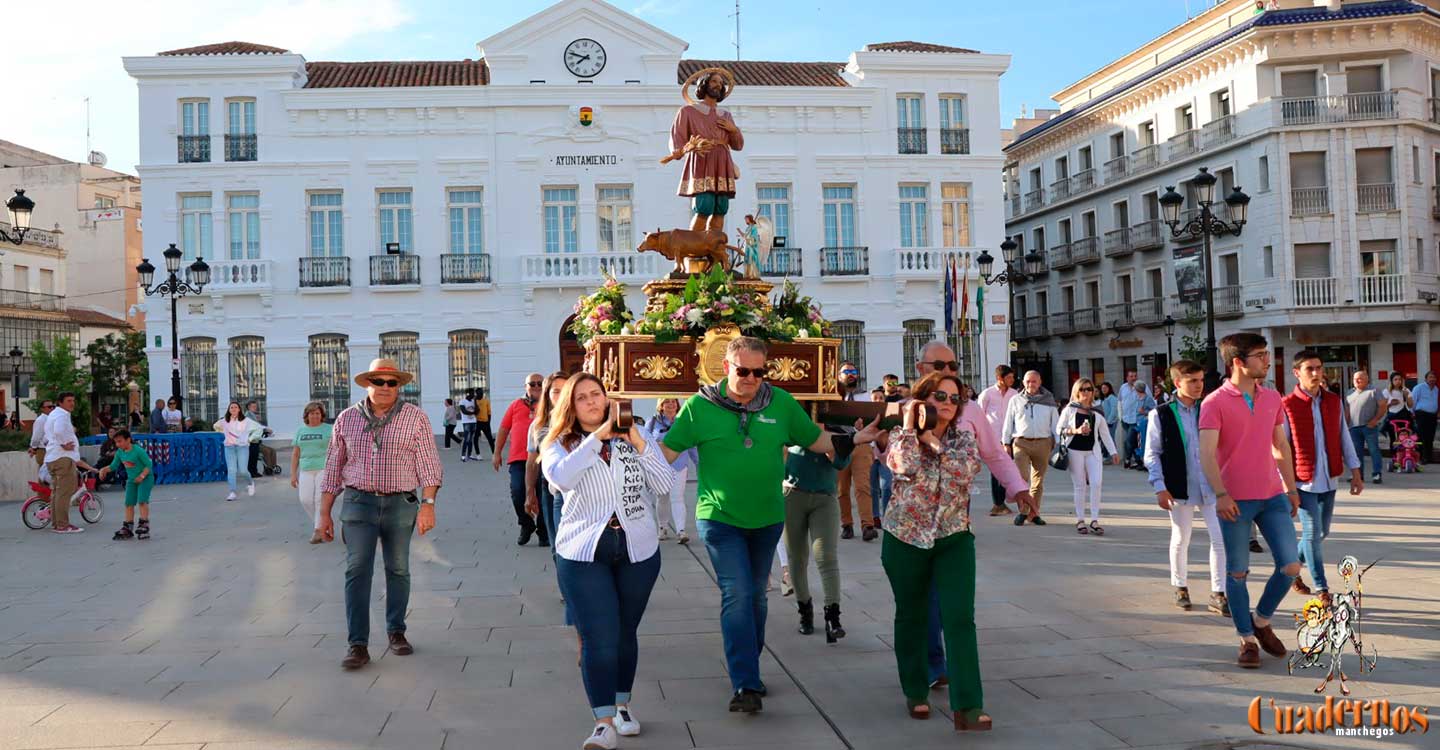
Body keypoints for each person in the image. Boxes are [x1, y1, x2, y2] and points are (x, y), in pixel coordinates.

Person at [659, 336, 856, 713]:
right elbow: (666, 453)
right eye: (743, 370)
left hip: (766, 519)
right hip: (719, 519)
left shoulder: (779, 402)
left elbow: (815, 440)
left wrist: (855, 437)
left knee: (756, 596)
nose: (751, 378)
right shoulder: (699, 407)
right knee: (737, 594)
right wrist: (623, 458)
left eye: (758, 371)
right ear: (726, 367)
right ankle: (745, 682)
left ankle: (749, 658)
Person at [882, 372, 1030, 731]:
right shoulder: (902, 435)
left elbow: (963, 471)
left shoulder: (965, 436)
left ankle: (968, 705)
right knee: (911, 616)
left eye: (954, 398)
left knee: (960, 619)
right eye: (939, 397)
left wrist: (932, 440)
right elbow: (902, 466)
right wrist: (910, 428)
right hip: (905, 537)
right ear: (922, 399)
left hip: (954, 537)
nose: (947, 404)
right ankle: (916, 691)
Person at [542, 373, 673, 750]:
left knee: (624, 632)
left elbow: (664, 485)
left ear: (607, 397)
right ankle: (602, 723)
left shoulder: (637, 436)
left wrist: (635, 440)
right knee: (599, 636)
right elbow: (562, 478)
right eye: (581, 397)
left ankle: (622, 704)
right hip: (584, 551)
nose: (591, 402)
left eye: (596, 394)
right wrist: (595, 439)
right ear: (570, 405)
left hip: (637, 548)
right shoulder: (559, 443)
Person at [318, 358, 442, 671]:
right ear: (367, 384)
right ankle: (357, 644)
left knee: (398, 568)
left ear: (399, 386)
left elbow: (429, 465)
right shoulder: (347, 419)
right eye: (378, 381)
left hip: (401, 503)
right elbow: (333, 469)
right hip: (359, 502)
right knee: (357, 568)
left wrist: (428, 505)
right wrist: (324, 515)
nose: (385, 388)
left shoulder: (415, 418)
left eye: (391, 382)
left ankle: (396, 630)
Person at [1198, 333, 1302, 669]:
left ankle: (1261, 620)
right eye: (1260, 355)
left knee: (1290, 566)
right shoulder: (1213, 402)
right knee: (1238, 572)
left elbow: (1280, 446)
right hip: (1235, 501)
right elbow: (1206, 454)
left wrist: (1291, 486)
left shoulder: (1272, 398)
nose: (1267, 361)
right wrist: (1220, 493)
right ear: (1238, 362)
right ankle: (1245, 639)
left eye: (1266, 354)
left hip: (1272, 496)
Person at [1145, 360, 1228, 615]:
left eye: (1201, 380)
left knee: (1220, 539)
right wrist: (1159, 486)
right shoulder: (1161, 413)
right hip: (1179, 485)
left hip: (1212, 485)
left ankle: (1219, 592)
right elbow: (1152, 453)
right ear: (1178, 382)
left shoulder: (1209, 409)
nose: (1198, 386)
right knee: (1181, 538)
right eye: (1192, 381)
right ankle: (1180, 586)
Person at [1281, 351, 1363, 600]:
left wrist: (1356, 472)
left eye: (1319, 368)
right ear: (1297, 373)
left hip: (1329, 479)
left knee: (1322, 532)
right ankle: (1321, 588)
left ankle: (1291, 567)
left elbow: (1343, 437)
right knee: (1311, 534)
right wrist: (1287, 486)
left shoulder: (1332, 401)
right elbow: (1280, 447)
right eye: (1310, 369)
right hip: (1302, 482)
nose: (1316, 373)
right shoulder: (1287, 405)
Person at [783, 440, 851, 642]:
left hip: (825, 496)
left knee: (826, 556)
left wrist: (830, 445)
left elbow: (842, 463)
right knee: (797, 557)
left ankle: (833, 616)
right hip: (792, 494)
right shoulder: (794, 415)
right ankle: (805, 610)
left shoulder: (835, 424)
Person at [667, 69, 743, 234]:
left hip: (722, 162)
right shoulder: (687, 111)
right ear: (704, 84)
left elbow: (738, 145)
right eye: (714, 81)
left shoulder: (726, 115)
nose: (718, 85)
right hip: (702, 160)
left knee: (720, 208)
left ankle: (712, 248)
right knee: (704, 206)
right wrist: (687, 148)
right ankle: (693, 249)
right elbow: (678, 139)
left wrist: (734, 130)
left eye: (721, 83)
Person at [1056, 378, 1120, 536]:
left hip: (1092, 451)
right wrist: (1076, 431)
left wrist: (1113, 452)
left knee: (1096, 483)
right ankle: (1080, 519)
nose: (1086, 392)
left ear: (1093, 392)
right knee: (1080, 486)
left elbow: (1104, 433)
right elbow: (1059, 429)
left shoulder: (1097, 411)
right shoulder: (1070, 409)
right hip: (1074, 451)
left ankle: (1094, 519)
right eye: (1082, 389)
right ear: (1077, 392)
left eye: (1089, 389)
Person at [495, 374, 547, 545]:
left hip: (543, 459)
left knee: (543, 495)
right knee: (518, 492)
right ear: (526, 386)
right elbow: (503, 429)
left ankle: (544, 530)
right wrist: (497, 453)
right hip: (519, 459)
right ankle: (526, 524)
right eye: (532, 384)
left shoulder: (550, 405)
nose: (536, 386)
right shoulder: (516, 405)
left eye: (540, 383)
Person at [1002, 370, 1059, 526]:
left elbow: (1056, 424)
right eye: (1027, 381)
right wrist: (1006, 443)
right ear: (1023, 383)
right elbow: (1008, 423)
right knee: (1021, 478)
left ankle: (1033, 513)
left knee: (1037, 482)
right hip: (1021, 443)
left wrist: (1059, 443)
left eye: (1034, 381)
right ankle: (1023, 511)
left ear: (1039, 382)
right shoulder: (1015, 400)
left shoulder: (1048, 399)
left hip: (1043, 443)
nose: (1030, 384)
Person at [525, 371, 569, 548]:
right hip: (552, 488)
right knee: (557, 547)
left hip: (582, 489)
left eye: (566, 390)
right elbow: (532, 461)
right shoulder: (539, 425)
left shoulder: (585, 420)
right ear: (548, 395)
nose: (562, 395)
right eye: (556, 391)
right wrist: (529, 493)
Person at [644, 398, 697, 544]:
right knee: (662, 498)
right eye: (667, 401)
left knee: (677, 498)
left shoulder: (684, 422)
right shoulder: (652, 423)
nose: (671, 404)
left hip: (679, 466)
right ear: (661, 406)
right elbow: (645, 444)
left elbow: (692, 445)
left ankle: (681, 531)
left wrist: (699, 464)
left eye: (673, 401)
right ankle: (663, 528)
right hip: (660, 468)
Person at [834, 361, 875, 541]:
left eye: (854, 371)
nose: (851, 374)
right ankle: (847, 524)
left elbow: (873, 420)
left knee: (863, 486)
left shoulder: (866, 396)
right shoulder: (834, 398)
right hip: (840, 444)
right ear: (839, 375)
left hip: (861, 446)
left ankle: (867, 525)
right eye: (846, 371)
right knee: (842, 489)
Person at [977, 365, 1019, 517]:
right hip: (992, 438)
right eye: (1009, 378)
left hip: (1010, 438)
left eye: (1013, 377)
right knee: (996, 470)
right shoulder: (987, 394)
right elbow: (979, 415)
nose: (1012, 380)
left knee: (1008, 469)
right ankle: (998, 503)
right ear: (1000, 378)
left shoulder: (1014, 394)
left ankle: (1003, 501)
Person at [290, 401, 334, 544]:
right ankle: (323, 521)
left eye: (317, 413)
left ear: (321, 415)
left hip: (324, 468)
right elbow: (296, 454)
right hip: (306, 469)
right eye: (312, 413)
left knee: (318, 499)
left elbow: (337, 449)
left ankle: (317, 530)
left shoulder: (329, 429)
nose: (314, 416)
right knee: (305, 499)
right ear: (306, 415)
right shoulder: (300, 431)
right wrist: (292, 474)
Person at [99, 429, 154, 540]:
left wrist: (142, 476)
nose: (117, 444)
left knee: (142, 501)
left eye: (120, 441)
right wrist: (103, 470)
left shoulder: (138, 450)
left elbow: (149, 464)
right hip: (132, 480)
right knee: (129, 503)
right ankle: (128, 527)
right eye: (116, 442)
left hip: (145, 478)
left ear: (128, 440)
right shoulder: (120, 453)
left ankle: (144, 525)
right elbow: (113, 466)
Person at [43, 393, 84, 534]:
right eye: (69, 401)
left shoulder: (53, 414)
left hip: (52, 457)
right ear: (60, 403)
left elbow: (49, 433)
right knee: (65, 492)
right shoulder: (62, 415)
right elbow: (59, 431)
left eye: (73, 400)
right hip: (62, 457)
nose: (72, 403)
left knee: (56, 492)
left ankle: (56, 523)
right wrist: (64, 444)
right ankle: (62, 525)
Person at [214, 402, 260, 501]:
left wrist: (250, 439)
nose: (234, 409)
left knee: (243, 470)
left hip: (242, 447)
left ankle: (250, 483)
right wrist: (225, 433)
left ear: (239, 409)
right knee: (231, 470)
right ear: (229, 410)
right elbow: (215, 426)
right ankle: (232, 492)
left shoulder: (246, 421)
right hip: (229, 447)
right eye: (231, 407)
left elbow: (258, 429)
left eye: (236, 407)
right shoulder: (224, 421)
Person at [1347, 370, 1386, 484]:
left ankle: (1377, 474)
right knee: (1356, 453)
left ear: (1367, 379)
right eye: (1355, 379)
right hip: (1353, 428)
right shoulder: (1349, 392)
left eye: (1360, 378)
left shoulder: (1374, 390)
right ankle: (1359, 475)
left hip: (1369, 427)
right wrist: (1345, 425)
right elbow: (1347, 410)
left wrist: (1375, 421)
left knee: (1374, 450)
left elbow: (1383, 406)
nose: (1357, 380)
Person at [1379, 372, 1415, 458]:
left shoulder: (1406, 390)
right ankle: (1394, 457)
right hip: (1393, 417)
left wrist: (1406, 396)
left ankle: (1406, 455)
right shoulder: (1387, 391)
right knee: (1393, 438)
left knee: (1405, 437)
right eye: (1395, 379)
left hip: (1404, 417)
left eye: (1400, 379)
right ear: (1391, 381)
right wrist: (1390, 404)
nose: (1398, 381)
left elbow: (1411, 405)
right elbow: (1382, 406)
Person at [1130, 382, 1157, 469]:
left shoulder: (1148, 399)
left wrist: (1144, 412)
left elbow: (1154, 411)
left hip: (1144, 424)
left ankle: (1144, 462)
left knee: (1143, 442)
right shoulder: (1137, 398)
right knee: (1133, 442)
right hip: (1137, 423)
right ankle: (1139, 461)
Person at [1413, 371, 1438, 464]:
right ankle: (1421, 457)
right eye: (1430, 377)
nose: (1432, 379)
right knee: (1421, 436)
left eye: (1434, 377)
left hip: (1432, 415)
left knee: (1430, 436)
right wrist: (1412, 413)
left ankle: (1429, 457)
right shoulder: (1419, 388)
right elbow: (1413, 400)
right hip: (1421, 414)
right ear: (1426, 379)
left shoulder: (1436, 389)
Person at [1118, 371, 1142, 468]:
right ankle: (1137, 460)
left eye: (1135, 376)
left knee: (1128, 440)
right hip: (1125, 419)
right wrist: (1120, 416)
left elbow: (1149, 399)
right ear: (1127, 378)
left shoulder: (1141, 387)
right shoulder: (1123, 387)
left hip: (1136, 419)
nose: (1133, 378)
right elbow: (1119, 401)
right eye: (1131, 376)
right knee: (1133, 441)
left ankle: (1127, 459)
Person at [28, 399, 54, 468]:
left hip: (51, 450)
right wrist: (33, 448)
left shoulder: (52, 419)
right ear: (42, 409)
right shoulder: (41, 420)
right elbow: (36, 437)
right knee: (44, 473)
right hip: (43, 450)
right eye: (49, 407)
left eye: (53, 406)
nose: (51, 408)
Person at [244, 401, 265, 479]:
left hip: (254, 439)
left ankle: (254, 471)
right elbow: (254, 426)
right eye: (253, 406)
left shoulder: (253, 415)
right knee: (252, 456)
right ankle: (252, 472)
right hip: (251, 439)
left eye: (256, 406)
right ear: (249, 407)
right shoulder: (248, 415)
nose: (255, 408)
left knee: (254, 456)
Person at [458, 389, 479, 461]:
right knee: (466, 439)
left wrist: (475, 402)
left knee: (471, 439)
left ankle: (469, 455)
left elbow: (478, 411)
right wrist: (473, 412)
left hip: (473, 421)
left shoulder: (473, 401)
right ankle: (463, 456)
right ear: (468, 394)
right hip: (466, 422)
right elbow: (464, 411)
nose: (474, 395)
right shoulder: (462, 401)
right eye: (472, 393)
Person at [476, 388, 497, 454]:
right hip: (477, 422)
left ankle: (494, 453)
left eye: (482, 393)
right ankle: (478, 454)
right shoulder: (475, 401)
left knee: (490, 439)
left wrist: (488, 422)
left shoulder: (486, 401)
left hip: (486, 422)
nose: (482, 394)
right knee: (475, 439)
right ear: (477, 394)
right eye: (480, 393)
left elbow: (489, 412)